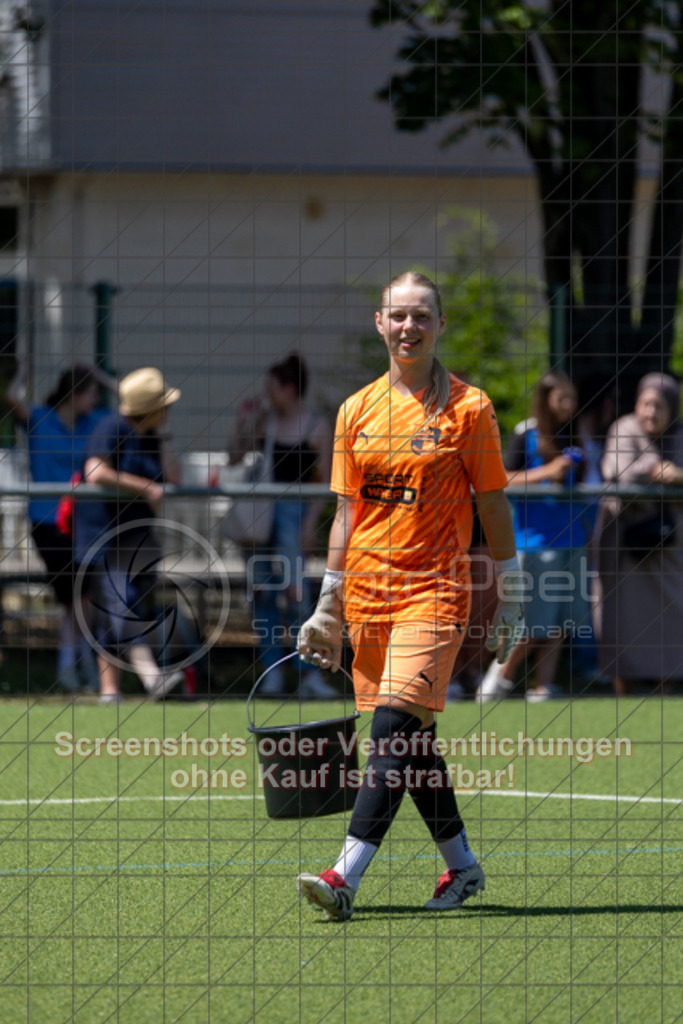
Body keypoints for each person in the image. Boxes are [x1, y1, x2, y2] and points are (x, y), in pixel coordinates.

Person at [295, 270, 524, 921]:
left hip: (435, 594)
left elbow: (492, 502)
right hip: (367, 598)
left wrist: (512, 592)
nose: (408, 327)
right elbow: (346, 515)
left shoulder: (469, 408)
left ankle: (343, 876)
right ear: (379, 322)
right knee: (412, 741)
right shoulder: (354, 409)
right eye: (397, 315)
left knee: (391, 728)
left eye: (421, 316)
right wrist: (326, 602)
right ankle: (463, 869)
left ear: (440, 325)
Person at [477, 370, 591, 702]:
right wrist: (548, 472)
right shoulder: (525, 433)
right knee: (531, 624)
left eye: (572, 397)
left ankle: (543, 686)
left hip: (571, 540)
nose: (568, 405)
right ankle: (497, 680)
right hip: (535, 543)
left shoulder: (575, 434)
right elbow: (504, 480)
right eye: (561, 398)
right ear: (545, 399)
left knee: (559, 623)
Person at [228, 353, 336, 699]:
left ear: (289, 388)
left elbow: (326, 481)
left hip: (294, 515)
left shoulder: (315, 425)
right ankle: (273, 672)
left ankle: (308, 675)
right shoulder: (266, 422)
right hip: (262, 518)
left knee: (298, 596)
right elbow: (233, 456)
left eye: (272, 386)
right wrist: (242, 423)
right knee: (263, 596)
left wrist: (310, 525)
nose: (267, 392)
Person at [74, 366, 184, 702]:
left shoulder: (151, 436)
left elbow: (175, 478)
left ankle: (110, 690)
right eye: (163, 405)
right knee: (122, 608)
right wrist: (145, 488)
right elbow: (95, 471)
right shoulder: (111, 427)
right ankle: (152, 678)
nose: (169, 410)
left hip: (138, 541)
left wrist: (165, 437)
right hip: (105, 538)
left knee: (121, 610)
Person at [6, 359, 114, 691]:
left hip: (82, 523)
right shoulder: (40, 419)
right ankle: (77, 666)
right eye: (91, 393)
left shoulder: (94, 423)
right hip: (48, 523)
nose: (96, 400)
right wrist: (23, 371)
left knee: (80, 600)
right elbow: (12, 397)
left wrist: (103, 379)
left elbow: (129, 408)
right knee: (76, 599)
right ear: (74, 395)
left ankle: (74, 667)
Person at [593, 372, 683, 694]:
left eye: (658, 406)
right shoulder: (624, 428)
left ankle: (667, 685)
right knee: (620, 615)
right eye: (645, 405)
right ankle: (623, 686)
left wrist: (677, 477)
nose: (650, 413)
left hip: (668, 545)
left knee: (670, 612)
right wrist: (654, 471)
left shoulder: (679, 436)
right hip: (623, 542)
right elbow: (615, 472)